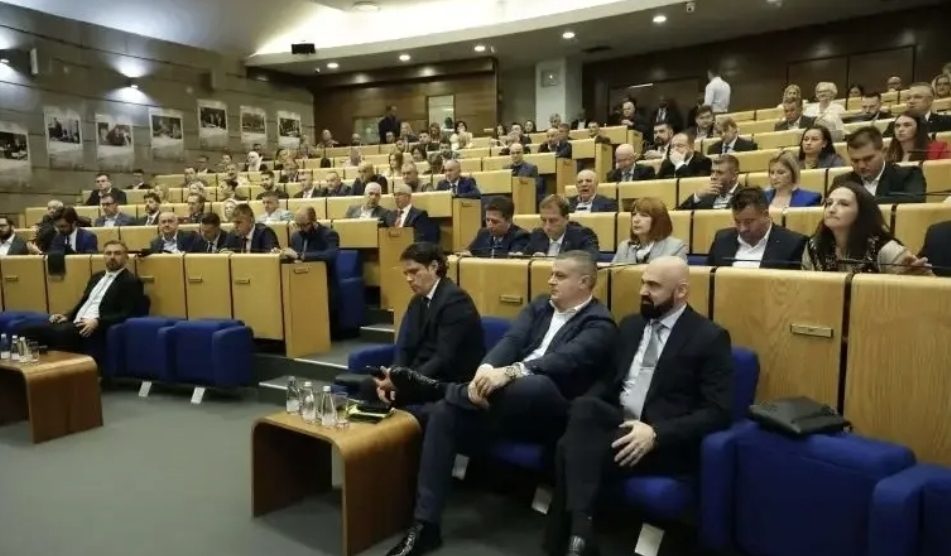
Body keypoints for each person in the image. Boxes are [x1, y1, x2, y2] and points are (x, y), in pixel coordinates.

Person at [382, 251, 617, 556]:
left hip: (552, 413)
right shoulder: (540, 306)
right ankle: (426, 525)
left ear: (584, 282)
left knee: (535, 384)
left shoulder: (600, 323)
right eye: (551, 274)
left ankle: (442, 389)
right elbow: (511, 341)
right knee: (444, 413)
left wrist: (510, 372)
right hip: (505, 403)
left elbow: (563, 361)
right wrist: (486, 370)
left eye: (559, 276)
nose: (550, 281)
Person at [543, 256, 732, 556]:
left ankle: (573, 536)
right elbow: (608, 381)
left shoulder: (709, 337)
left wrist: (656, 433)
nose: (643, 291)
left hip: (658, 439)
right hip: (616, 420)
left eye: (654, 286)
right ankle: (580, 534)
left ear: (681, 291)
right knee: (583, 408)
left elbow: (718, 412)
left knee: (569, 448)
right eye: (643, 283)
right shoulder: (631, 325)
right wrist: (583, 406)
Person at [369, 242, 485, 423]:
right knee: (369, 387)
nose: (409, 279)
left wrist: (405, 382)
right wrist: (394, 375)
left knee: (386, 395)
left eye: (414, 272)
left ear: (433, 267)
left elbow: (444, 358)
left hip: (445, 381)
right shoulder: (417, 301)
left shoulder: (456, 300)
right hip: (419, 375)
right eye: (405, 274)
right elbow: (404, 346)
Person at [16, 240, 144, 354]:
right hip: (74, 322)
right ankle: (31, 369)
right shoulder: (97, 276)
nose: (112, 257)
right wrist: (67, 315)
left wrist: (98, 322)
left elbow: (128, 313)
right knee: (27, 330)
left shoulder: (131, 281)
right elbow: (85, 302)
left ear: (126, 257)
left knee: (61, 334)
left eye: (117, 253)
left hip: (92, 326)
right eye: (108, 253)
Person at [802, 182, 931, 275]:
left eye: (844, 204)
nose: (831, 209)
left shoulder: (887, 249)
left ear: (862, 212)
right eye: (829, 203)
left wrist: (917, 277)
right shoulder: (814, 245)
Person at [706, 186, 808, 269]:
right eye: (737, 222)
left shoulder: (792, 244)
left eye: (748, 222)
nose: (742, 229)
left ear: (765, 215)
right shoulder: (722, 240)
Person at [832, 126, 926, 204]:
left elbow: (915, 201)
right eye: (855, 160)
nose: (861, 166)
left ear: (884, 152)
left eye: (868, 159)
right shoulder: (842, 181)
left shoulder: (909, 175)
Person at [519, 195, 600, 258]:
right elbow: (525, 258)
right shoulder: (537, 235)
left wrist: (546, 262)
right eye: (543, 220)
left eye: (553, 221)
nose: (547, 227)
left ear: (566, 219)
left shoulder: (582, 235)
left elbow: (589, 261)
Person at [612, 198, 687, 264]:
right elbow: (612, 274)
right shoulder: (624, 247)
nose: (636, 220)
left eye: (644, 215)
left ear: (658, 221)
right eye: (634, 214)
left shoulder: (675, 247)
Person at [460, 196, 531, 258]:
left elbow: (511, 262)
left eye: (495, 221)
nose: (489, 225)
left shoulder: (521, 237)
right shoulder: (483, 233)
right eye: (487, 220)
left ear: (509, 220)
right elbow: (468, 252)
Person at [887, 82, 951, 134]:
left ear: (930, 100)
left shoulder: (947, 122)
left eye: (917, 97)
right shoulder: (894, 125)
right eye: (908, 98)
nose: (911, 101)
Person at [885, 112, 951, 162]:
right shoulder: (888, 153)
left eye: (907, 125)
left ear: (919, 129)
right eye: (897, 126)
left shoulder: (938, 150)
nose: (900, 129)